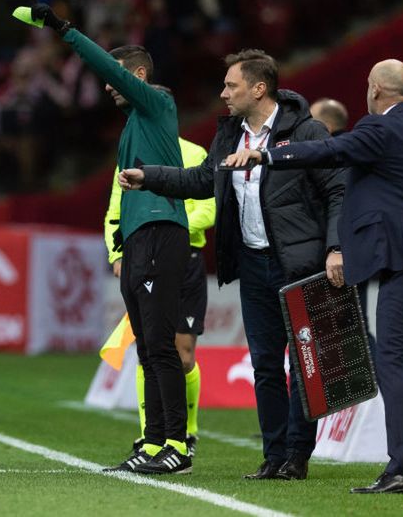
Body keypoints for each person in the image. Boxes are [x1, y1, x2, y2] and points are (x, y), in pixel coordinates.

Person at [224, 59, 403, 494]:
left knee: (394, 361)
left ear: (375, 90)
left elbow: (329, 151)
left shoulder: (380, 129)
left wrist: (267, 154)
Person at [118, 49, 345, 480]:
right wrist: (150, 176)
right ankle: (274, 455)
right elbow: (202, 180)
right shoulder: (229, 138)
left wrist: (335, 248)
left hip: (298, 265)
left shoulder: (306, 130)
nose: (222, 93)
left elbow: (338, 191)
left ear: (259, 89)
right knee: (263, 363)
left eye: (231, 86)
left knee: (304, 362)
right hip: (253, 265)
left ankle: (297, 455)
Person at [24, 1, 192, 474]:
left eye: (117, 75)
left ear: (136, 73)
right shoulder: (136, 126)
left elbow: (100, 65)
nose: (106, 84)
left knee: (159, 345)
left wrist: (63, 30)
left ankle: (176, 446)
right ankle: (154, 443)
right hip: (139, 238)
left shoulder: (158, 105)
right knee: (147, 344)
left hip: (162, 233)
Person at [102, 127, 215, 470]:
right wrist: (117, 253)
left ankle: (184, 436)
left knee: (179, 352)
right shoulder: (128, 156)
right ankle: (150, 440)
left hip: (183, 258)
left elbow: (208, 208)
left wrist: (169, 228)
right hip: (139, 256)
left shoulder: (192, 153)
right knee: (147, 347)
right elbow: (114, 211)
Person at [310, 97, 376, 355]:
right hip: (360, 250)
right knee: (354, 324)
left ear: (324, 126)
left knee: (349, 327)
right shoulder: (359, 153)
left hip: (339, 255)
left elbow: (339, 205)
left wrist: (333, 249)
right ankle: (379, 391)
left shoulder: (334, 155)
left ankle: (380, 391)